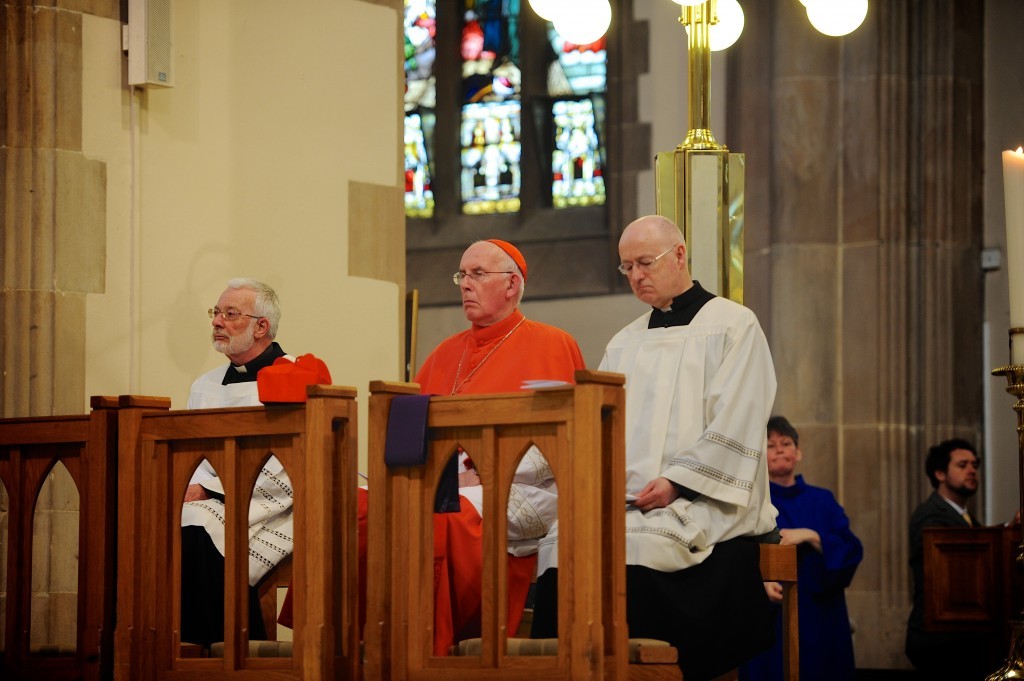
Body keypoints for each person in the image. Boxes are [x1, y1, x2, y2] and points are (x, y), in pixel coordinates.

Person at [532, 214, 778, 681]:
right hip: (630, 500)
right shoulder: (624, 343)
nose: (636, 276)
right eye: (627, 268)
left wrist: (676, 482)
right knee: (564, 548)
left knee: (645, 553)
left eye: (645, 263)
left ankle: (660, 672)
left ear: (679, 255)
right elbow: (599, 425)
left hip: (704, 498)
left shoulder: (733, 326)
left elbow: (740, 417)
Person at [413, 238, 586, 651]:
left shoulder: (553, 345)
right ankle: (377, 647)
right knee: (372, 515)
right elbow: (410, 430)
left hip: (524, 490)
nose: (465, 284)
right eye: (461, 275)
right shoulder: (442, 353)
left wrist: (488, 469)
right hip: (450, 489)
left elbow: (569, 438)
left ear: (511, 285)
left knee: (442, 522)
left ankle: (441, 650)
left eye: (477, 274)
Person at [180, 277, 293, 647]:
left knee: (197, 520)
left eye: (231, 314)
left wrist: (210, 489)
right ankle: (170, 646)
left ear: (262, 326)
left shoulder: (294, 376)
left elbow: (286, 462)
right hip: (216, 497)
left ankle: (226, 646)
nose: (217, 321)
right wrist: (191, 486)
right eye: (216, 312)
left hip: (272, 503)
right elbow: (191, 451)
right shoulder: (205, 385)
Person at [740, 416, 863, 681]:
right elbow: (734, 553)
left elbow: (851, 550)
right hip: (771, 616)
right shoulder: (751, 501)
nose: (780, 449)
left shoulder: (822, 500)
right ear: (761, 455)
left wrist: (811, 535)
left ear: (798, 452)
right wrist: (758, 582)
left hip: (820, 614)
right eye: (771, 445)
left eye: (786, 443)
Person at [905, 438, 989, 678]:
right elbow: (964, 557)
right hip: (941, 637)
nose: (972, 470)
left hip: (964, 635)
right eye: (963, 465)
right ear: (940, 473)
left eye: (975, 464)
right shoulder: (930, 516)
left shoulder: (965, 516)